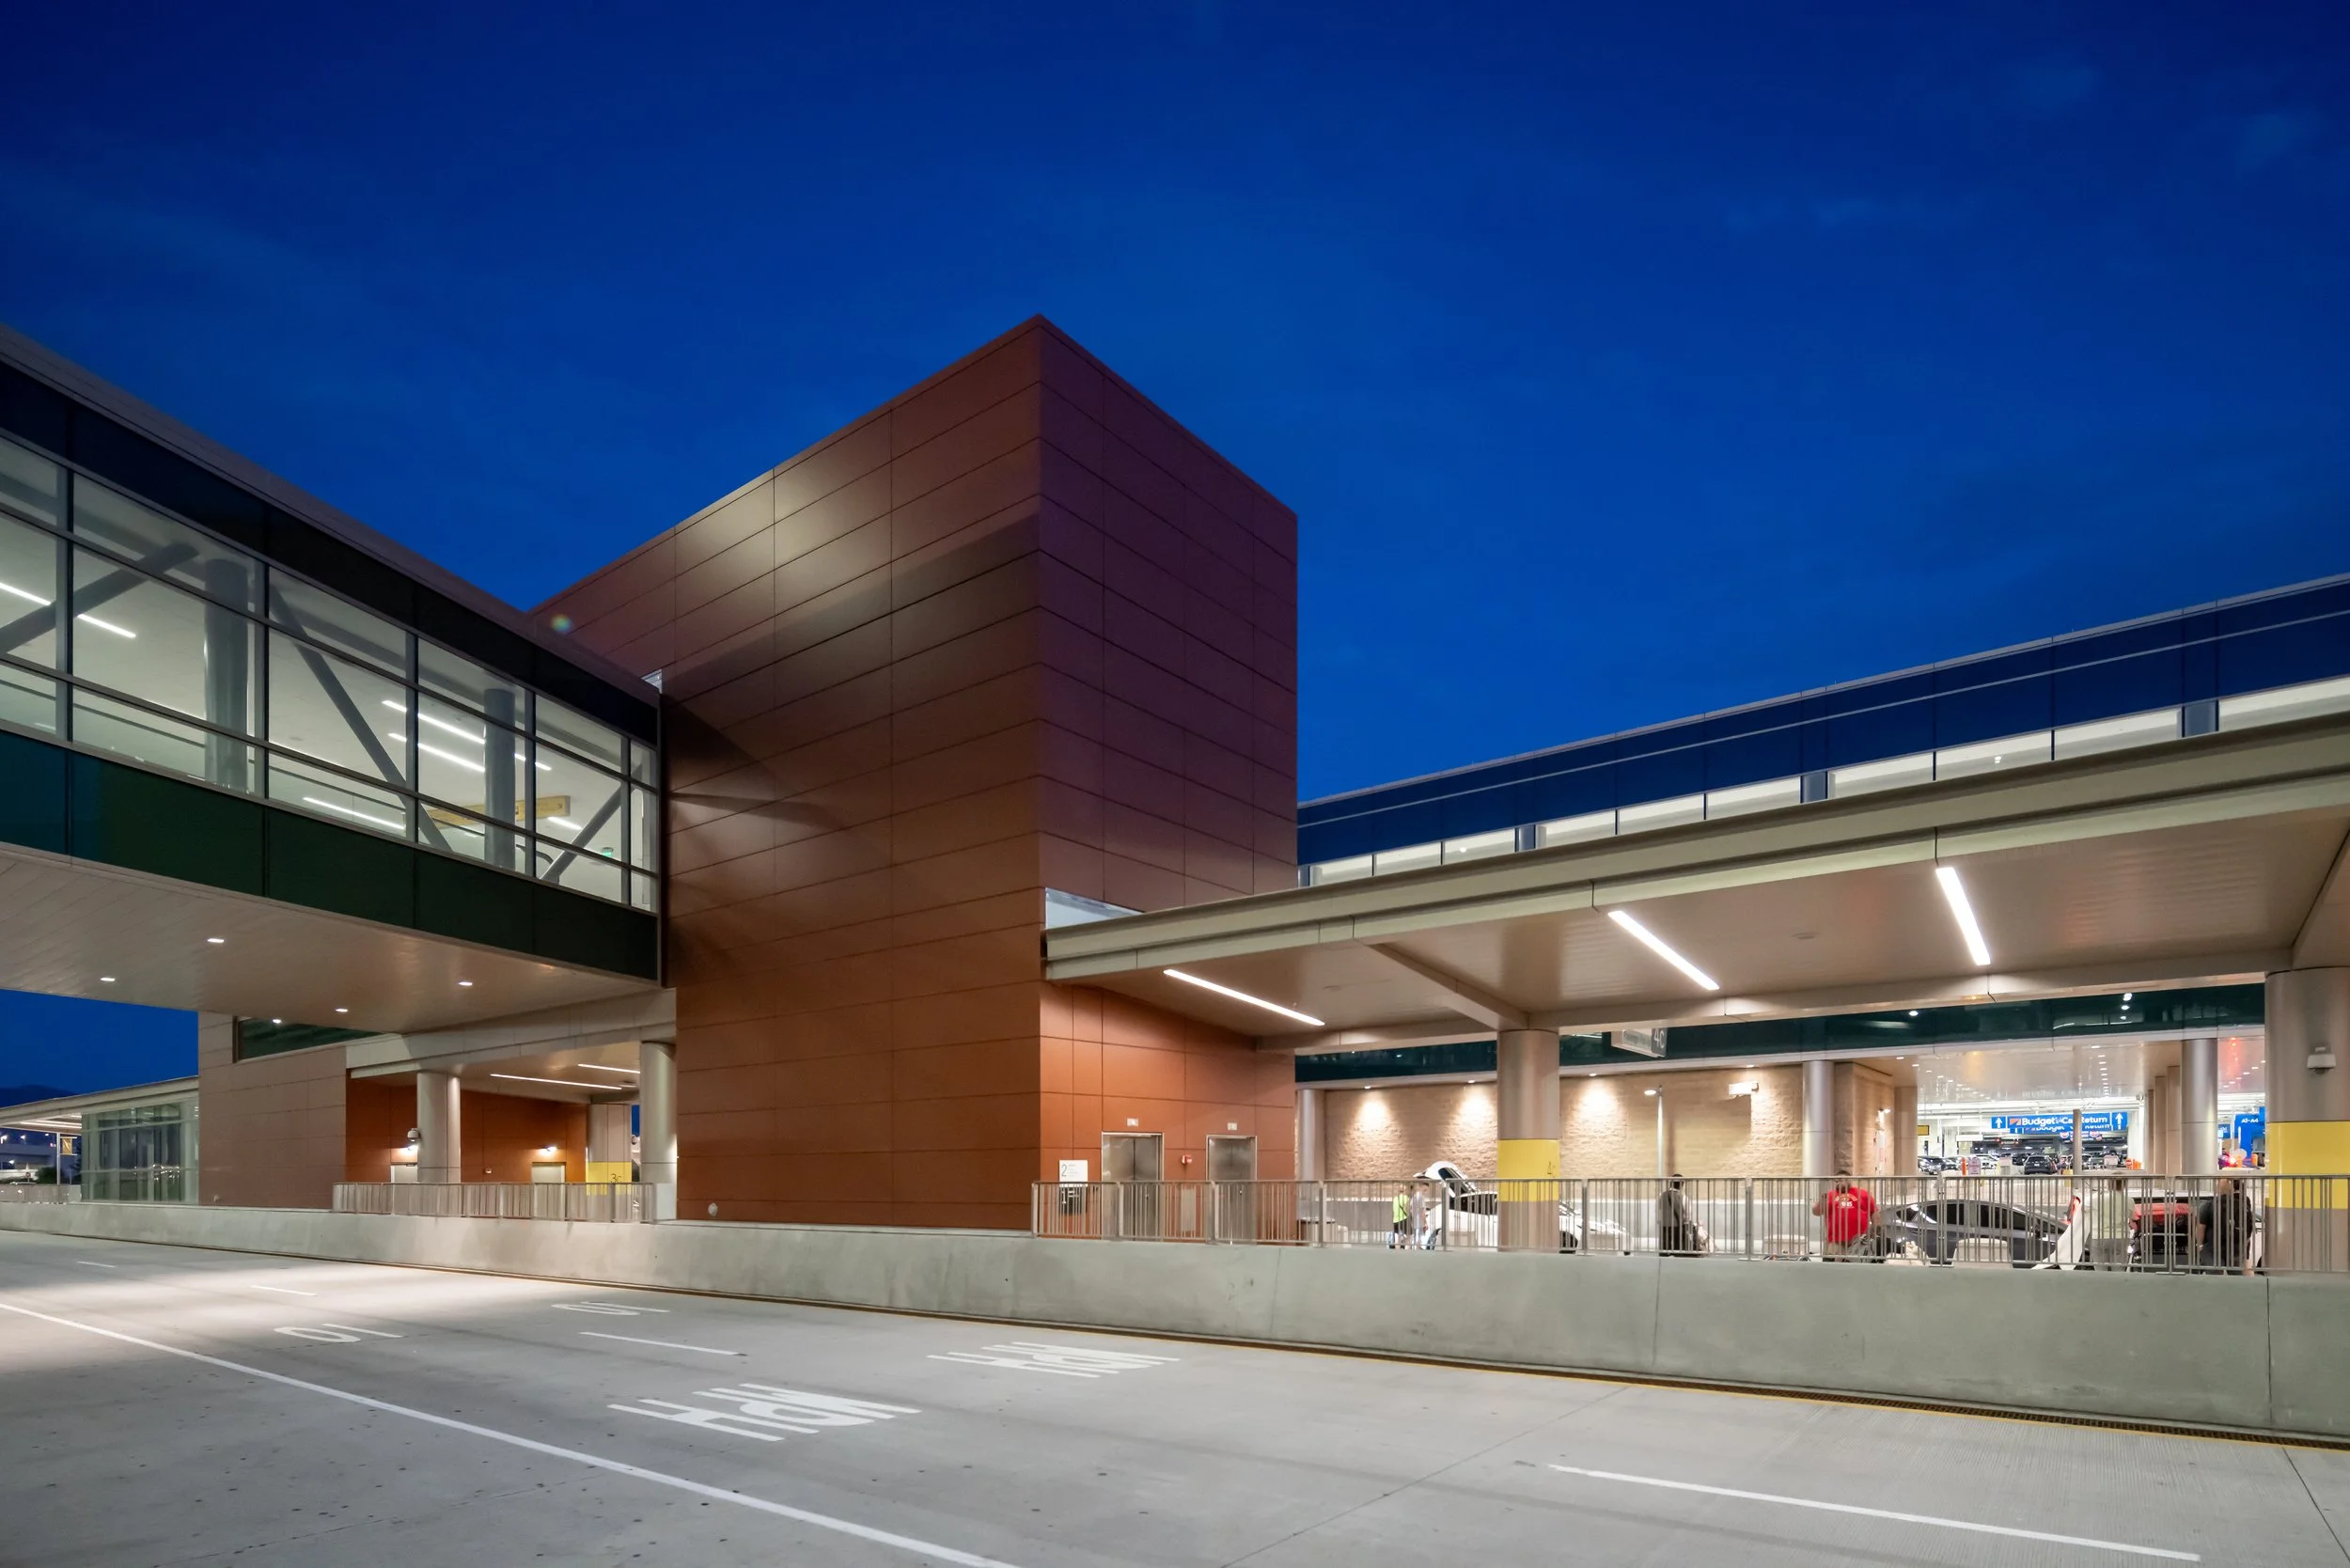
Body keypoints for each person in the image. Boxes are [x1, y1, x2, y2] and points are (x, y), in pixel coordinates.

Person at [1811, 1170, 1878, 1260]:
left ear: (1849, 1180)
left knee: (1857, 1265)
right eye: (1836, 1181)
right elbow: (1816, 1212)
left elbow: (1874, 1213)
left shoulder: (1863, 1194)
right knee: (1833, 1267)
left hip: (1859, 1240)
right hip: (1835, 1240)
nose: (1838, 1183)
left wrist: (1875, 1229)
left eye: (1840, 1180)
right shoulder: (1830, 1195)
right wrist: (1821, 1201)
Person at [2197, 1177, 2255, 1275]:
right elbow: (2248, 1225)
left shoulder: (2209, 1205)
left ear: (2217, 1190)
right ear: (2231, 1189)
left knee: (2214, 1273)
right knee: (2236, 1274)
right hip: (2235, 1246)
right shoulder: (2242, 1204)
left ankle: (2217, 1287)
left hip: (2214, 1246)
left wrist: (2200, 1244)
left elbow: (2200, 1228)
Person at [2088, 1175, 2134, 1270]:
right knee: (2118, 1270)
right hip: (2120, 1236)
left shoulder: (2096, 1199)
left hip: (2099, 1236)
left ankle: (2102, 1284)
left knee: (2100, 1270)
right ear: (2124, 1185)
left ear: (2108, 1184)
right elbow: (2131, 1217)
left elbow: (2085, 1210)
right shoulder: (2129, 1200)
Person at [1656, 1174, 1700, 1256]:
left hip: (1664, 1227)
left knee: (1664, 1250)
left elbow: (1659, 1211)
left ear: (1671, 1183)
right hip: (1677, 1228)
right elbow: (1688, 1216)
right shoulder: (1683, 1197)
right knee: (1678, 1250)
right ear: (1681, 1185)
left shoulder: (1661, 1196)